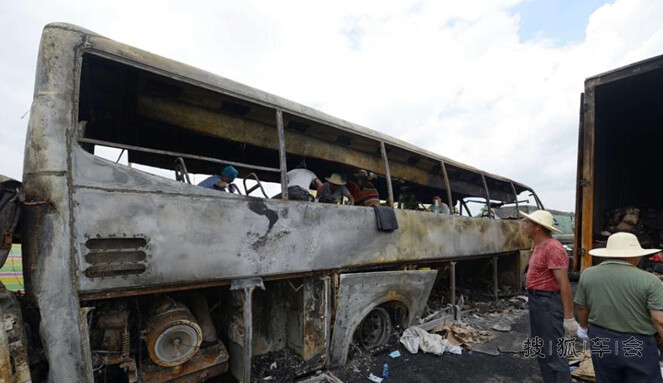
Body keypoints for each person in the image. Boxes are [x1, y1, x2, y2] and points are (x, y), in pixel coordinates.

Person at [575, 232, 663, 383]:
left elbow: (582, 308)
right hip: (637, 343)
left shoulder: (588, 274)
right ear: (634, 256)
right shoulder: (651, 281)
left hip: (601, 339)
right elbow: (658, 320)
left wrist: (583, 328)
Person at [520, 210, 577, 383]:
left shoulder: (552, 248)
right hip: (538, 301)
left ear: (537, 227)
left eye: (527, 222)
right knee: (543, 349)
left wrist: (569, 317)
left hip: (548, 303)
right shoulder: (538, 246)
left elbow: (564, 283)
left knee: (553, 351)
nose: (524, 225)